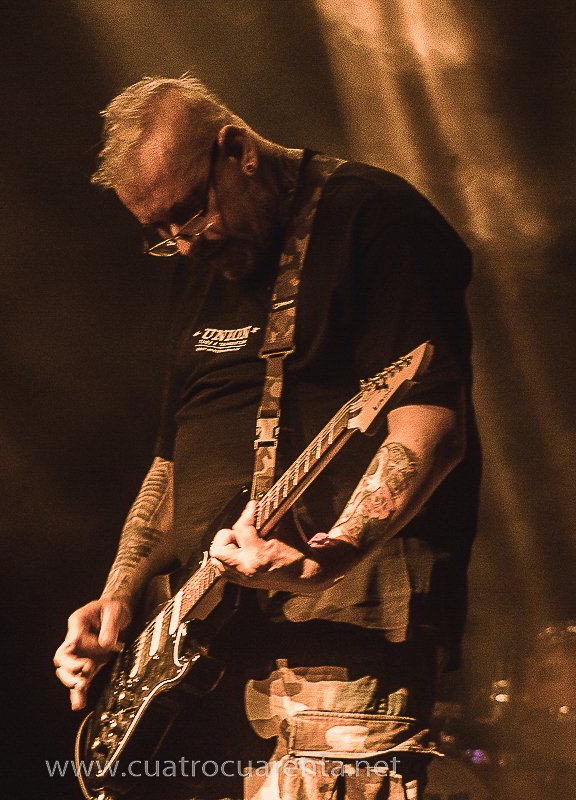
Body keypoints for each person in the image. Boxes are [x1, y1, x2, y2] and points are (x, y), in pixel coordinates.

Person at [53, 76, 479, 799]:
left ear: (238, 151)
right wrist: (120, 596)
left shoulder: (373, 217)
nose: (183, 244)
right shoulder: (204, 267)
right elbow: (175, 455)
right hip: (229, 642)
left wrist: (328, 555)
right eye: (159, 233)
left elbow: (429, 417)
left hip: (350, 633)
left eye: (188, 213)